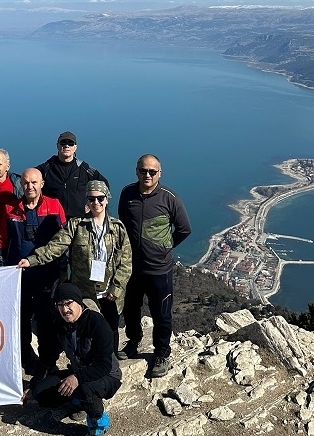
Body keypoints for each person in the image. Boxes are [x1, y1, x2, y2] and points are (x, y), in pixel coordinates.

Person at [17, 180, 132, 357]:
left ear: (107, 199)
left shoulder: (118, 229)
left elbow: (126, 262)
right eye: (91, 199)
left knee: (110, 330)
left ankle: (110, 364)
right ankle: (85, 365)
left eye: (100, 198)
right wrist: (31, 260)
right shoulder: (76, 226)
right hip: (84, 292)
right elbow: (54, 247)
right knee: (85, 332)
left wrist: (116, 288)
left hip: (110, 293)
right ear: (87, 201)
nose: (96, 202)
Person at [117, 154, 191, 378]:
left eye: (152, 171)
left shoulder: (170, 198)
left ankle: (161, 353)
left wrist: (165, 248)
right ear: (136, 171)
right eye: (143, 170)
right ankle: (133, 341)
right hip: (132, 266)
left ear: (160, 173)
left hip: (159, 269)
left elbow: (184, 229)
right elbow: (123, 222)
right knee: (131, 308)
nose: (147, 175)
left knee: (162, 313)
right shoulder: (127, 193)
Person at [23, 283, 122, 436]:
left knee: (84, 388)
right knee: (42, 393)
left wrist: (76, 378)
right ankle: (81, 403)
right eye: (60, 305)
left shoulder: (96, 323)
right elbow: (48, 358)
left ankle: (98, 424)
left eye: (69, 303)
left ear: (79, 303)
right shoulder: (60, 325)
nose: (65, 309)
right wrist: (33, 386)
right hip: (79, 372)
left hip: (107, 376)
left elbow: (104, 365)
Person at [0, 168, 66, 373]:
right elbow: (1, 241)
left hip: (47, 274)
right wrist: (1, 271)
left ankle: (48, 360)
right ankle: (25, 358)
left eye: (34, 182)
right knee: (21, 317)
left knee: (47, 318)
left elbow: (63, 240)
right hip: (19, 275)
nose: (30, 186)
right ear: (21, 185)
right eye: (26, 183)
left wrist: (63, 270)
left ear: (42, 184)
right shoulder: (10, 208)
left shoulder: (54, 205)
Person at [36, 131, 109, 220]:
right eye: (63, 142)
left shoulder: (84, 169)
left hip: (79, 220)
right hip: (51, 220)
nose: (66, 146)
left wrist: (92, 203)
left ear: (75, 148)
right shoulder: (46, 168)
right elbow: (27, 179)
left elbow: (104, 184)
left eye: (70, 143)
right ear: (57, 146)